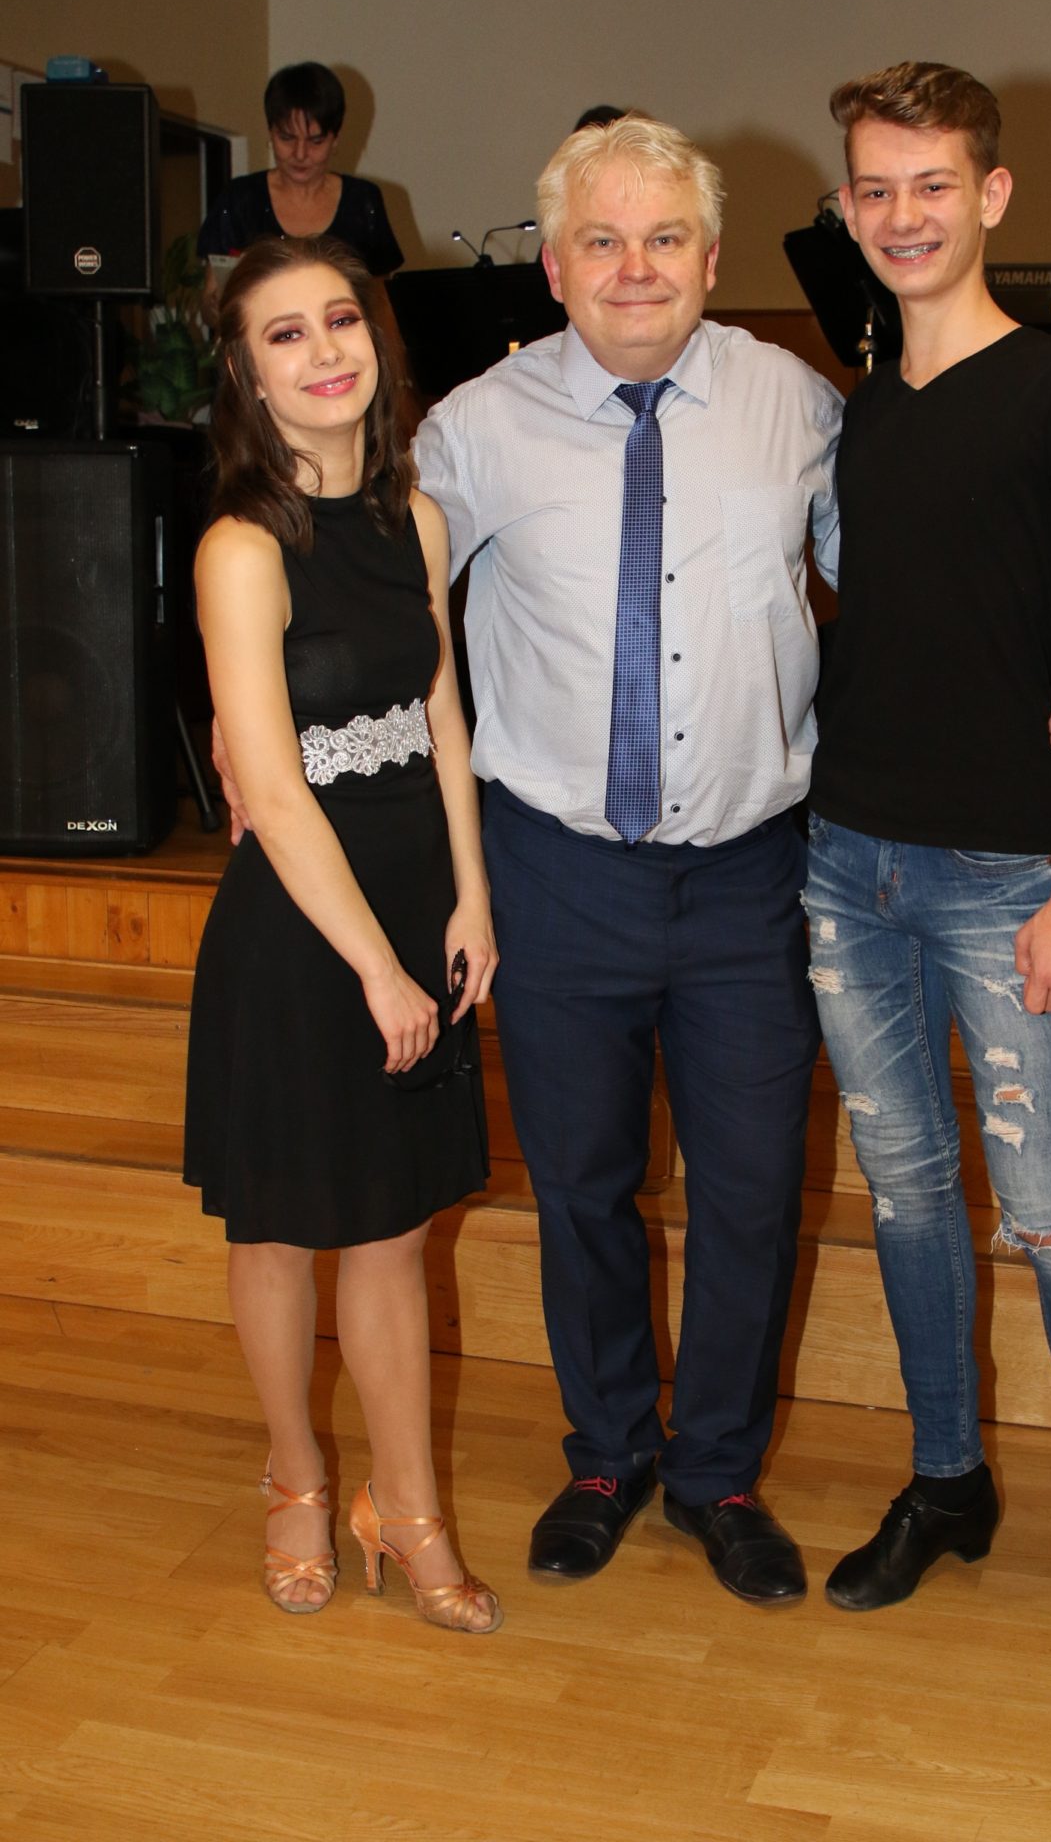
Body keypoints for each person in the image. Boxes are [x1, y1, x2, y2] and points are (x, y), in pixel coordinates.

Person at [412, 113, 1051, 1607]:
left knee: (753, 1188)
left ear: (711, 258)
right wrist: (261, 719)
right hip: (556, 868)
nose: (634, 267)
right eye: (600, 240)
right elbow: (377, 599)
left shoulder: (799, 404)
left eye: (664, 238)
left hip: (749, 876)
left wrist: (1030, 657)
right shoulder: (474, 426)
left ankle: (714, 1471)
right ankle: (606, 1454)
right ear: (554, 267)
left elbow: (900, 576)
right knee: (582, 1184)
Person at [804, 60, 1051, 1696]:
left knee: (1050, 1214)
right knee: (907, 1199)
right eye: (874, 188)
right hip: (846, 864)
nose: (903, 215)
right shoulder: (860, 409)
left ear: (992, 194)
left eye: (932, 184)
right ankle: (948, 1480)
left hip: (1006, 876)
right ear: (846, 207)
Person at [184, 233, 500, 1634]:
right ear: (248, 379)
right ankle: (297, 1481)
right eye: (286, 335)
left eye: (341, 321)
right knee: (280, 1232)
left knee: (392, 1231)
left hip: (416, 895)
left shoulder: (414, 520)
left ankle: (408, 1506)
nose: (326, 352)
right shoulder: (240, 549)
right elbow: (266, 786)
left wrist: (470, 897)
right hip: (301, 930)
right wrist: (374, 967)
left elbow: (441, 718)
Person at [198, 61, 404, 281]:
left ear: (335, 139)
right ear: (270, 133)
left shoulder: (363, 200)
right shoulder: (240, 199)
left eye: (316, 141)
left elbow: (380, 294)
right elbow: (213, 295)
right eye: (287, 138)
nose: (300, 154)